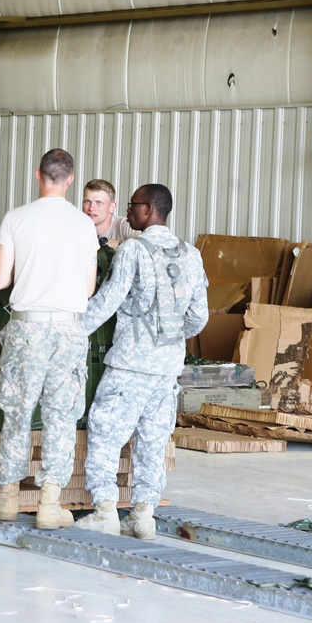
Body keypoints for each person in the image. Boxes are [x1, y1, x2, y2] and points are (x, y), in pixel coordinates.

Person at [76, 184, 208, 539]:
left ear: (149, 210)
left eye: (133, 206)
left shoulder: (133, 250)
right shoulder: (191, 255)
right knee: (152, 442)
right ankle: (143, 515)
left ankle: (105, 510)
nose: (129, 213)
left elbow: (108, 301)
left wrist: (74, 331)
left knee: (105, 434)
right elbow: (199, 317)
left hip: (131, 366)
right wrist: (171, 336)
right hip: (167, 369)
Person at [0, 148, 99, 530]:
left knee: (17, 413)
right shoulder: (84, 225)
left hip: (27, 327)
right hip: (69, 329)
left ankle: (6, 498)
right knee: (61, 416)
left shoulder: (16, 218)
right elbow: (88, 289)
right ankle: (50, 504)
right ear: (70, 179)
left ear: (39, 175)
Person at [82, 179, 139, 247]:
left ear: (112, 207)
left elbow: (146, 246)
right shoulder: (75, 227)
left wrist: (104, 243)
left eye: (99, 203)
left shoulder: (125, 225)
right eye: (87, 201)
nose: (91, 208)